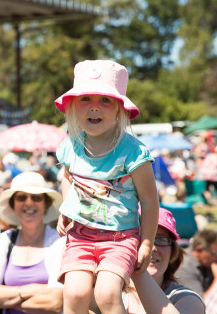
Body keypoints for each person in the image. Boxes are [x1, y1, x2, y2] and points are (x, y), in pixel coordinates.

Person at [53, 59, 159, 314]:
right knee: (74, 293)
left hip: (120, 238)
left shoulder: (133, 152)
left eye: (105, 100)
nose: (94, 108)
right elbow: (68, 178)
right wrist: (66, 209)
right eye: (86, 99)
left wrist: (146, 243)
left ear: (121, 109)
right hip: (80, 235)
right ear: (73, 106)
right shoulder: (71, 146)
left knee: (107, 294)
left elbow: (149, 200)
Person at [90, 207, 205, 313]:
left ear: (173, 252)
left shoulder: (186, 299)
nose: (152, 248)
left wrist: (138, 268)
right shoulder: (104, 291)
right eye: (141, 238)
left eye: (161, 240)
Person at [0, 171, 65, 314]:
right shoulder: (5, 240)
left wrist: (5, 300)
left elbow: (55, 302)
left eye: (36, 197)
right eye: (21, 197)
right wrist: (29, 291)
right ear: (13, 204)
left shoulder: (58, 242)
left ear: (46, 203)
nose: (29, 203)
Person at [175, 228, 217, 298]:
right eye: (214, 254)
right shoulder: (184, 266)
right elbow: (198, 302)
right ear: (199, 250)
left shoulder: (206, 262)